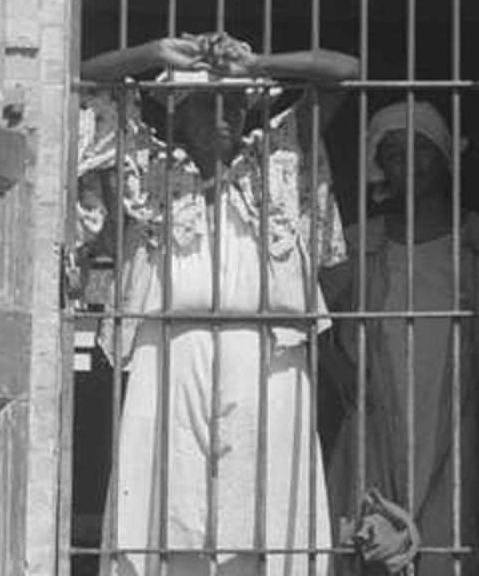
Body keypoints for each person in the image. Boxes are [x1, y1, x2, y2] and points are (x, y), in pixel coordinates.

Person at [76, 32, 359, 576]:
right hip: (170, 352)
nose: (221, 116)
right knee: (166, 500)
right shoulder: (147, 167)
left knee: (267, 503)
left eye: (233, 101)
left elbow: (345, 68)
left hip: (267, 356)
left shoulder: (279, 155)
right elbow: (81, 79)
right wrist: (153, 55)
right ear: (179, 115)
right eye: (206, 103)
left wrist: (258, 63)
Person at [322, 101, 479, 576]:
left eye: (422, 150)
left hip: (457, 417)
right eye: (395, 154)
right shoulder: (358, 244)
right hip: (376, 416)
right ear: (381, 166)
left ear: (445, 156)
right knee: (370, 541)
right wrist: (339, 370)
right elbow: (304, 313)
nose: (410, 164)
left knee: (451, 542)